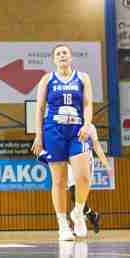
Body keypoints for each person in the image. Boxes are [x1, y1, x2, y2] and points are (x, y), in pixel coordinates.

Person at [29, 43, 96, 241]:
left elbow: (87, 104)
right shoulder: (47, 79)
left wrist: (87, 124)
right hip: (54, 130)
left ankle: (78, 212)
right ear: (54, 59)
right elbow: (40, 108)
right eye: (58, 53)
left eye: (65, 52)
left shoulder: (83, 78)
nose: (62, 55)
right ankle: (63, 225)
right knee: (59, 181)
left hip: (77, 131)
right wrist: (38, 135)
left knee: (84, 177)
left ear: (71, 57)